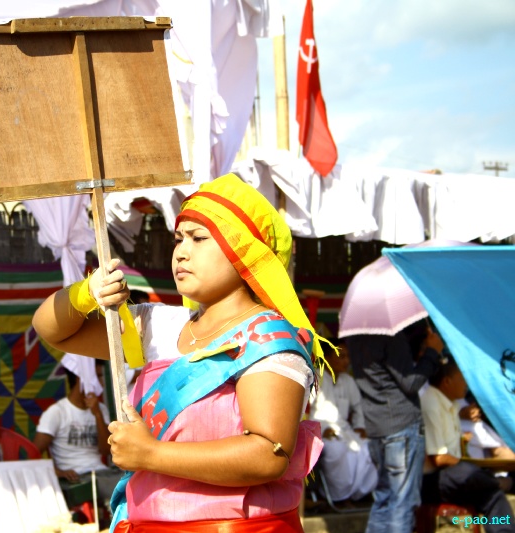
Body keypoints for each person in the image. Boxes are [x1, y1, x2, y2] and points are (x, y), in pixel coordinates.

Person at [33, 174, 325, 532]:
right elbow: (52, 330)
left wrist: (151, 455)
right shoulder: (160, 325)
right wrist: (86, 293)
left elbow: (268, 454)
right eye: (178, 239)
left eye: (199, 238)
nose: (181, 252)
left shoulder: (267, 339)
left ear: (245, 251)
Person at [345, 319, 444, 533]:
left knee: (384, 498)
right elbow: (411, 382)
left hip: (376, 425)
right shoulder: (390, 336)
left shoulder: (354, 335)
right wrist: (432, 352)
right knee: (403, 501)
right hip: (400, 424)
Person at [420, 356, 514, 532]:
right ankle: (496, 481)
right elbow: (439, 458)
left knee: (493, 496)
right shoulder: (431, 403)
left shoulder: (453, 406)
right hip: (431, 481)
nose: (466, 384)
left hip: (454, 476)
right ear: (447, 381)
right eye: (462, 379)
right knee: (469, 471)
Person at [33, 358, 122, 518]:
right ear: (82, 379)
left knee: (131, 479)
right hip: (77, 477)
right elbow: (33, 452)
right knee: (121, 488)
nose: (101, 383)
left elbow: (106, 450)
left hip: (100, 473)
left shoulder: (100, 409)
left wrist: (97, 414)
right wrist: (57, 472)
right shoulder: (57, 412)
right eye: (97, 377)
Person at [309, 340, 377, 502]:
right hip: (321, 434)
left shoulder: (348, 380)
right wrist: (321, 430)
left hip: (346, 432)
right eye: (341, 356)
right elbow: (306, 412)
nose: (346, 361)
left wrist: (360, 426)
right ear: (326, 358)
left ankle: (357, 495)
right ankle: (337, 497)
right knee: (336, 450)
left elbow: (358, 407)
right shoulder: (315, 378)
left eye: (348, 357)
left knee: (370, 449)